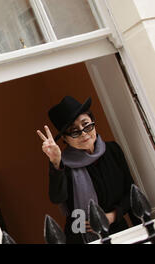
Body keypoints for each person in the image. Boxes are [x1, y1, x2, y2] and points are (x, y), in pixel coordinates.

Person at [37, 96, 140, 244]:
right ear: (65, 139)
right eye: (74, 131)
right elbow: (57, 198)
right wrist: (55, 163)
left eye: (86, 125)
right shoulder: (62, 163)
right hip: (81, 236)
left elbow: (131, 193)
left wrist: (112, 216)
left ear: (93, 122)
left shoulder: (112, 150)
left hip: (119, 231)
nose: (84, 133)